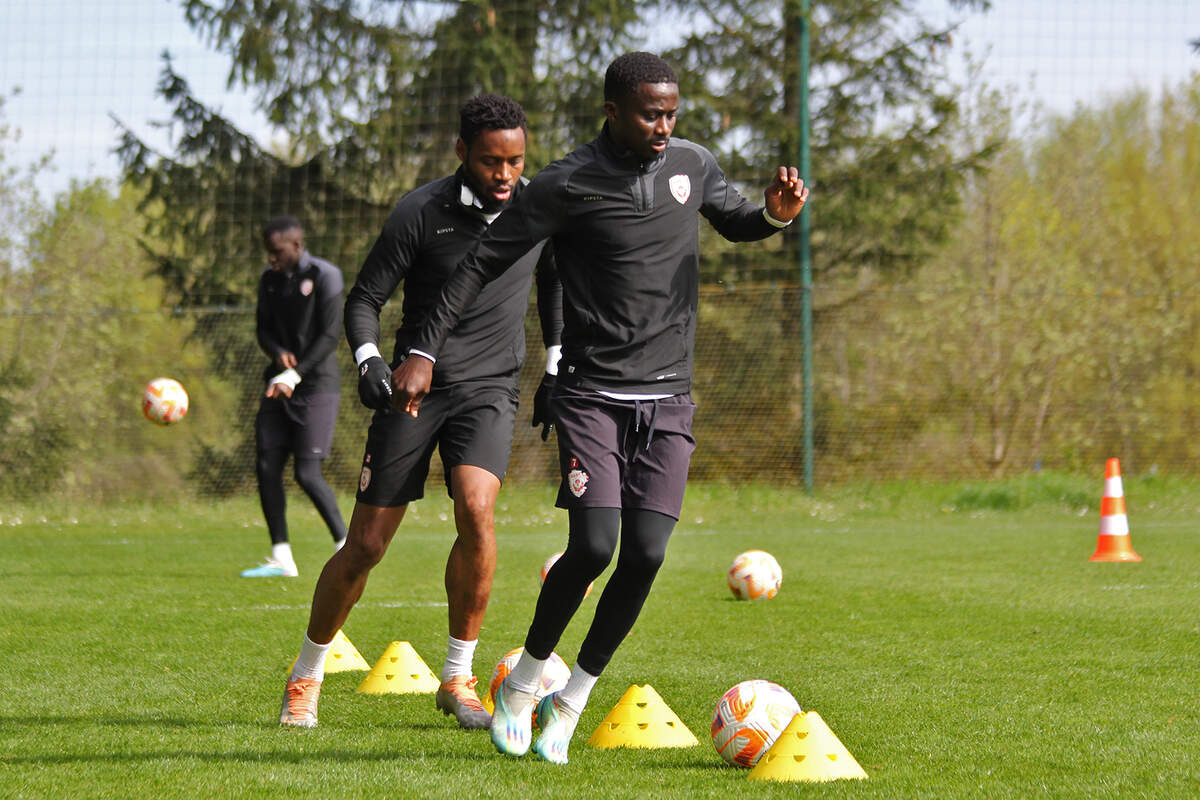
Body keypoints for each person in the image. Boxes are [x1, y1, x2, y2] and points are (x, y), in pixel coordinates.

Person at [388, 52, 809, 764]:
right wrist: (424, 348)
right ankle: (522, 684)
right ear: (613, 111)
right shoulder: (565, 183)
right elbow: (481, 264)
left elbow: (737, 221)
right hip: (591, 393)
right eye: (651, 113)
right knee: (593, 546)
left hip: (669, 395)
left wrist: (774, 214)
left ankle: (571, 700)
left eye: (672, 112)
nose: (664, 125)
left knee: (645, 554)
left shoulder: (693, 165)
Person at [278, 95, 562, 730]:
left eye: (517, 160)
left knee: (477, 510)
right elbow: (365, 299)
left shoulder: (536, 210)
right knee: (367, 546)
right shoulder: (421, 211)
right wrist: (371, 362)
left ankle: (458, 678)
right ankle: (306, 673)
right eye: (492, 161)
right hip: (413, 390)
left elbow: (555, 283)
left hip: (491, 389)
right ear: (462, 153)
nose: (507, 175)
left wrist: (555, 364)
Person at [242, 216, 348, 578]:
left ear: (296, 247)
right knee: (267, 465)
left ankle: (346, 548)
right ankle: (281, 557)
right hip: (278, 384)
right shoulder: (269, 281)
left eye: (277, 252)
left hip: (317, 385)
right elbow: (263, 329)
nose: (271, 259)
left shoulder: (325, 275)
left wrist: (296, 372)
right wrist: (277, 354)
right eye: (268, 253)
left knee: (307, 472)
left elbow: (330, 335)